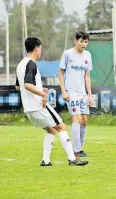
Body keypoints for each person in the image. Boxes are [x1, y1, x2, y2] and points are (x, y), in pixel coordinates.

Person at [16, 37, 88, 166]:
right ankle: (72, 159)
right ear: (36, 48)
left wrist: (38, 88)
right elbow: (27, 84)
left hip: (28, 108)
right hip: (38, 105)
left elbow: (18, 86)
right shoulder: (31, 64)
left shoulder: (20, 65)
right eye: (40, 48)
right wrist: (42, 93)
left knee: (51, 130)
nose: (41, 51)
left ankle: (46, 161)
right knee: (62, 127)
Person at [59, 31, 93, 158]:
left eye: (86, 42)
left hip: (82, 93)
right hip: (71, 92)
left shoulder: (88, 55)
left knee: (84, 121)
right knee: (77, 119)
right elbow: (61, 73)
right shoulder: (68, 54)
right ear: (75, 41)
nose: (84, 44)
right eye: (81, 41)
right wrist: (63, 90)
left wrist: (90, 94)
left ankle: (80, 149)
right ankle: (76, 150)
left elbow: (87, 75)